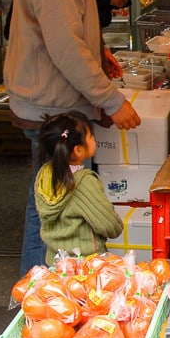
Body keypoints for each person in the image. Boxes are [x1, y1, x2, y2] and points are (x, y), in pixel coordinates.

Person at [5, 0, 141, 273]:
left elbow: (64, 23)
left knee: (48, 199)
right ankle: (36, 292)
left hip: (49, 94)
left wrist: (98, 53)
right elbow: (63, 45)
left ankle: (42, 288)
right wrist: (112, 100)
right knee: (48, 206)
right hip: (50, 100)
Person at [34, 112, 123, 264]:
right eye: (91, 137)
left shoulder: (44, 176)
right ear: (78, 150)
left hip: (56, 263)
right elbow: (110, 226)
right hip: (86, 267)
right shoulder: (83, 183)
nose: (94, 140)